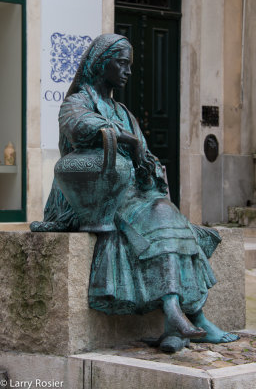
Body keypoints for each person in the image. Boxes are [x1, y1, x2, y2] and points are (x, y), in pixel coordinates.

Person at [31, 34, 239, 352]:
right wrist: (128, 140)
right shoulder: (77, 102)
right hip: (96, 196)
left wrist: (148, 165)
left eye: (130, 64)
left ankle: (176, 319)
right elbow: (79, 127)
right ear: (101, 63)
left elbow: (147, 157)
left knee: (168, 215)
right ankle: (187, 317)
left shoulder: (123, 110)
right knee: (159, 218)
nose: (128, 70)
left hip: (132, 193)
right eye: (122, 63)